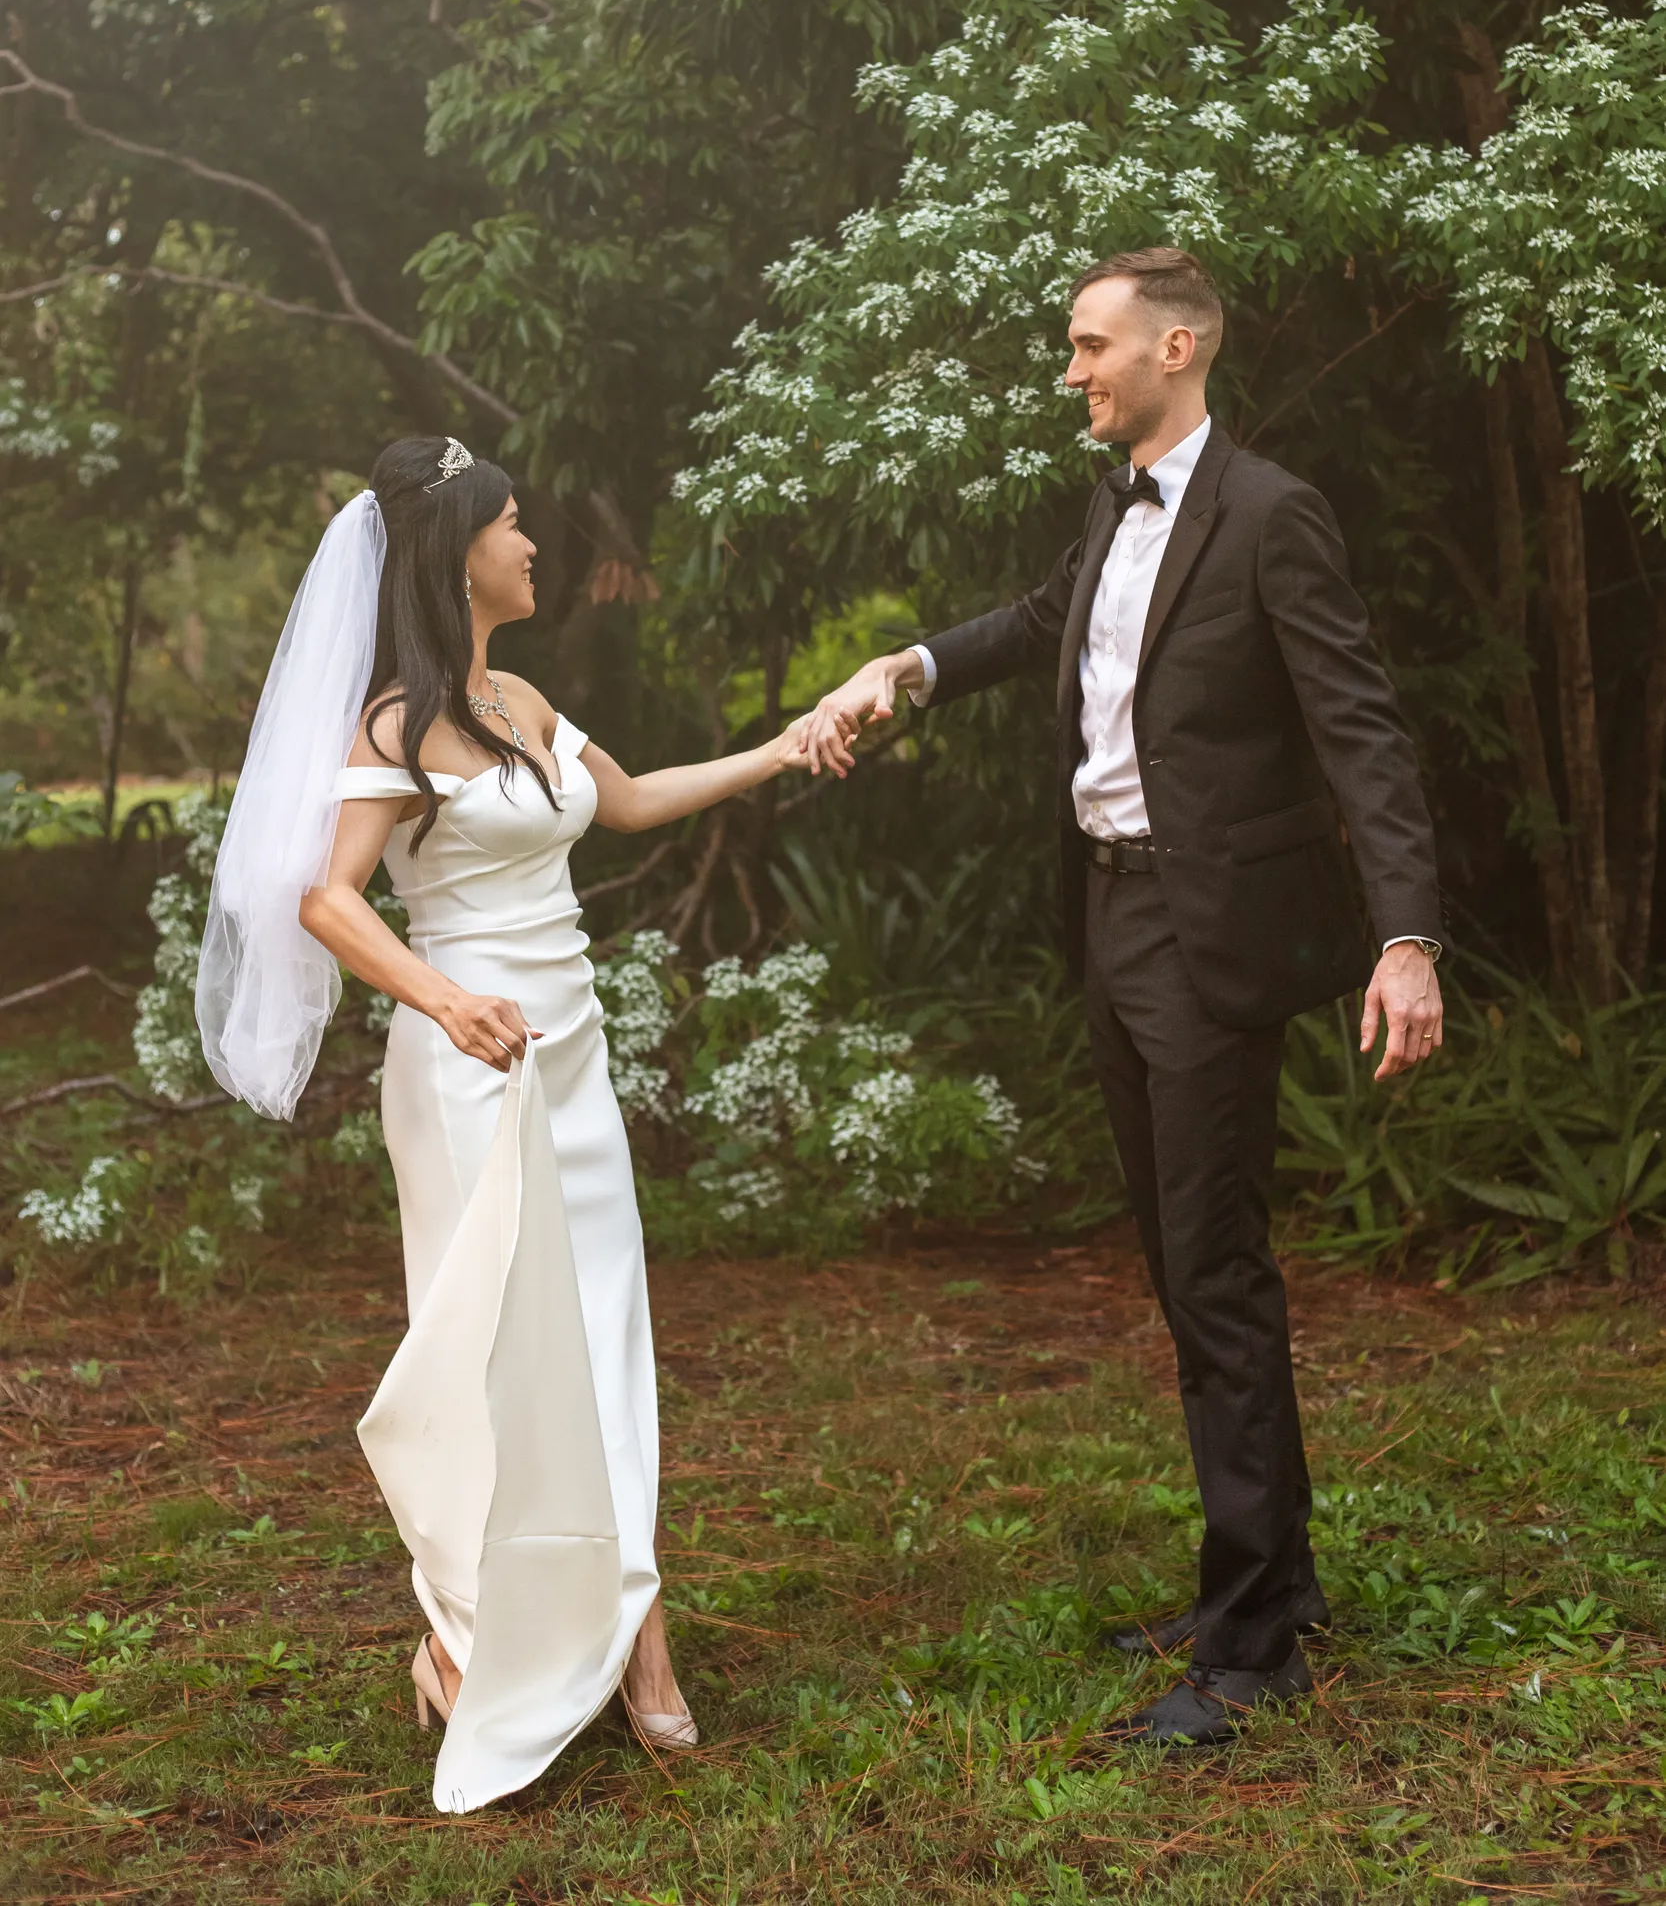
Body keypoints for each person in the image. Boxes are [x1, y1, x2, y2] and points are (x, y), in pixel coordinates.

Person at [803, 247, 1444, 1748]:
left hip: (1207, 936)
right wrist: (899, 666)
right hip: (1108, 918)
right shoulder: (1110, 502)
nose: (1069, 369)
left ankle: (1250, 1655)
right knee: (1183, 1269)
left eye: (1088, 346)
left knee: (1215, 1279)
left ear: (1175, 347)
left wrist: (1405, 939)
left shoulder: (1273, 517)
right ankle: (1269, 1584)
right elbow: (1041, 623)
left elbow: (1363, 735)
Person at [196, 434, 814, 1813]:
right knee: (492, 1355)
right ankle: (467, 1638)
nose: (534, 545)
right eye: (514, 525)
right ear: (454, 554)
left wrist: (787, 743)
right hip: (468, 1067)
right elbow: (328, 899)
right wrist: (443, 998)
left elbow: (636, 798)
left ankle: (632, 1623)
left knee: (602, 1338)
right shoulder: (390, 731)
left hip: (573, 1056)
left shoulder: (524, 698)